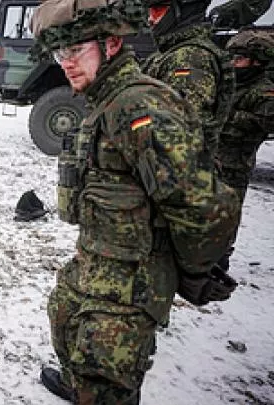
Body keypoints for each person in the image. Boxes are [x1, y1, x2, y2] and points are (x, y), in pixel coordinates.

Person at [30, 0, 240, 402]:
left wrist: (192, 274)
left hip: (129, 289)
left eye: (75, 51)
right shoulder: (105, 101)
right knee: (68, 330)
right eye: (60, 54)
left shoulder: (138, 106)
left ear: (110, 45)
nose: (66, 64)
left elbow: (206, 207)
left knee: (107, 385)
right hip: (96, 267)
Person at [142, 0, 235, 157]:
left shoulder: (190, 57)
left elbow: (185, 125)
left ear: (181, 13)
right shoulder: (171, 53)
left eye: (158, 10)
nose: (150, 19)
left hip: (174, 169)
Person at [215, 28, 274, 271]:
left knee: (226, 217)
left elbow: (265, 122)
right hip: (211, 159)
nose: (233, 63)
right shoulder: (230, 83)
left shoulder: (264, 92)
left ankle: (219, 262)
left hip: (234, 166)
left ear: (257, 61)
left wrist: (226, 117)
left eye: (239, 59)